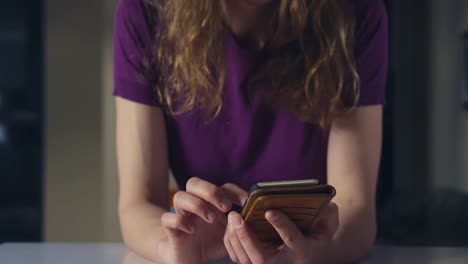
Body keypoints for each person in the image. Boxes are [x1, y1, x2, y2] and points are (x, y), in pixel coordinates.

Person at [114, 0, 388, 263]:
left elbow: (355, 207)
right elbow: (140, 202)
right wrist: (170, 247)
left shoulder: (353, 10)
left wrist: (311, 254)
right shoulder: (147, 11)